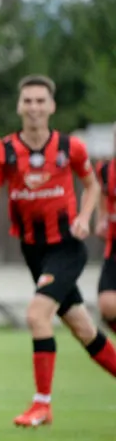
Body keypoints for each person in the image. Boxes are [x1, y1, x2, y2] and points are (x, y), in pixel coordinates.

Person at [0, 74, 116, 428]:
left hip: (66, 248)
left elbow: (91, 185)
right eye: (28, 101)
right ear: (19, 106)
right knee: (83, 328)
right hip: (33, 251)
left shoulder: (70, 148)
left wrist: (83, 216)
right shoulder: (2, 151)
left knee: (37, 316)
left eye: (40, 101)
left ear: (52, 106)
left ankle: (42, 405)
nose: (34, 107)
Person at [95, 122, 116, 335]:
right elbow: (102, 192)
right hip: (114, 246)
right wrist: (101, 218)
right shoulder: (106, 169)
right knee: (107, 305)